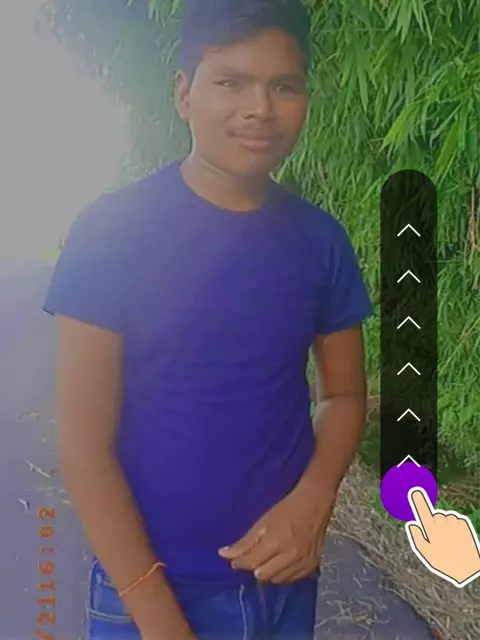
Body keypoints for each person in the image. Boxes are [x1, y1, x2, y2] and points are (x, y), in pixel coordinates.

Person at [43, 0, 374, 638]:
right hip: (147, 597)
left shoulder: (321, 241)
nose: (260, 108)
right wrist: (158, 617)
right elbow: (84, 449)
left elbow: (343, 395)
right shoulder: (112, 232)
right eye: (231, 82)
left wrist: (315, 499)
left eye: (284, 86)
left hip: (283, 588)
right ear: (184, 94)